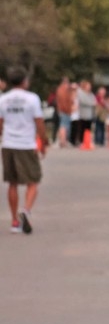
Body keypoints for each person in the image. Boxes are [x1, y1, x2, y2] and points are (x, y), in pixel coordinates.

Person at [0, 66, 49, 234]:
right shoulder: (32, 99)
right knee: (33, 181)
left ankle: (14, 220)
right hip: (26, 144)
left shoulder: (3, 99)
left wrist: (3, 135)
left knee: (12, 183)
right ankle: (26, 210)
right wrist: (43, 142)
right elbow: (39, 122)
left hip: (8, 143)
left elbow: (0, 122)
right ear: (24, 81)